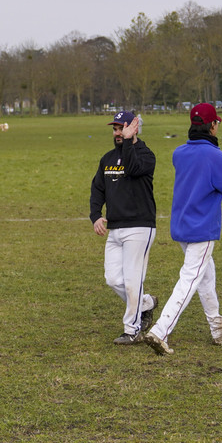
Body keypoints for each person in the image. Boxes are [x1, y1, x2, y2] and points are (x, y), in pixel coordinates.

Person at [143, 103, 222, 355]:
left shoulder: (179, 152)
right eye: (216, 123)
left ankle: (217, 327)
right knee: (190, 279)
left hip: (181, 227)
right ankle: (160, 330)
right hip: (202, 229)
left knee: (206, 276)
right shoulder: (214, 156)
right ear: (212, 126)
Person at [90, 110, 157, 344]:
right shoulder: (107, 159)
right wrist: (96, 215)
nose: (118, 133)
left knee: (131, 281)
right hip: (115, 228)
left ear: (134, 128)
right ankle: (146, 302)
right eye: (115, 129)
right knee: (113, 279)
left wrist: (129, 142)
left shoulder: (146, 155)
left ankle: (132, 330)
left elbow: (133, 168)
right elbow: (98, 187)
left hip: (139, 227)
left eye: (122, 128)